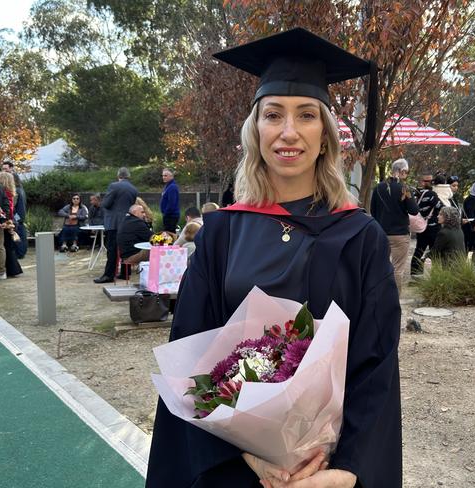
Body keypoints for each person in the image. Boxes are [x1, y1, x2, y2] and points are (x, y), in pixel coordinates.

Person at [146, 28, 401, 488]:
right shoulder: (221, 232)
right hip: (235, 467)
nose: (288, 132)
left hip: (327, 470)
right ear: (255, 132)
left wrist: (347, 471)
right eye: (273, 115)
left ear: (324, 135)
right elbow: (193, 349)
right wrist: (250, 455)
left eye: (306, 115)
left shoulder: (360, 235)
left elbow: (376, 364)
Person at [370, 158, 418, 292]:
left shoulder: (379, 187)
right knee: (398, 268)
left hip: (381, 232)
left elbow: (373, 210)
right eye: (406, 172)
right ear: (402, 171)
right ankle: (394, 298)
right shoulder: (404, 188)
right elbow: (414, 210)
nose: (406, 175)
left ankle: (379, 294)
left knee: (380, 266)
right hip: (400, 234)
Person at [94, 167, 138, 284]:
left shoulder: (114, 186)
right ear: (128, 176)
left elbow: (107, 204)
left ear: (118, 176)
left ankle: (109, 275)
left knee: (112, 249)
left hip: (113, 223)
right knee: (125, 248)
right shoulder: (134, 189)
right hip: (126, 222)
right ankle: (125, 273)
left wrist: (101, 202)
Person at [410, 172, 444, 275]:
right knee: (435, 252)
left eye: (431, 181)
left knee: (419, 250)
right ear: (422, 181)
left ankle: (416, 274)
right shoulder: (431, 194)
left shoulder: (416, 194)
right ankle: (436, 275)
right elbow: (440, 206)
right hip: (432, 227)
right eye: (427, 181)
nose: (430, 183)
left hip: (421, 227)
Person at [0, 172, 23, 277]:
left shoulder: (4, 193)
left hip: (6, 221)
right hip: (10, 220)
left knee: (6, 246)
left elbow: (7, 210)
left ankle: (13, 269)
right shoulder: (11, 193)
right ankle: (14, 269)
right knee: (8, 246)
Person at [12, 173, 28, 259]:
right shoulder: (21, 189)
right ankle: (21, 252)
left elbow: (18, 207)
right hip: (20, 216)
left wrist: (16, 218)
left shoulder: (17, 191)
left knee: (19, 234)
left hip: (18, 216)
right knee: (21, 234)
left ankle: (20, 252)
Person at [160, 168, 180, 233]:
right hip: (169, 215)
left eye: (165, 175)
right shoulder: (168, 186)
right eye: (163, 175)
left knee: (169, 235)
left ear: (171, 176)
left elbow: (172, 203)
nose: (163, 177)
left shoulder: (172, 187)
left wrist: (166, 213)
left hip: (171, 216)